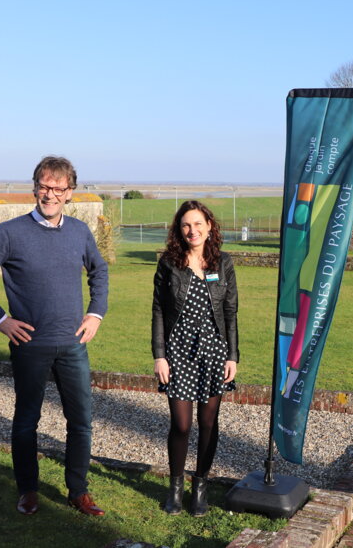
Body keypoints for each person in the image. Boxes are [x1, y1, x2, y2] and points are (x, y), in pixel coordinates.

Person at [0, 156, 109, 517]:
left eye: (58, 188)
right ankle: (27, 491)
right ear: (34, 188)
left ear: (70, 193)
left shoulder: (79, 232)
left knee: (81, 420)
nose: (50, 194)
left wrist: (96, 313)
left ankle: (78, 491)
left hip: (73, 344)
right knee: (27, 422)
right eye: (44, 186)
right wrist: (0, 320)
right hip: (30, 347)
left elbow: (99, 272)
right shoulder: (9, 233)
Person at [151, 200, 238, 516]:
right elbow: (159, 310)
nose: (193, 230)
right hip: (179, 351)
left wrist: (232, 356)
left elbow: (230, 312)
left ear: (209, 226)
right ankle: (175, 488)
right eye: (186, 225)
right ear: (179, 229)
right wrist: (159, 356)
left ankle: (200, 487)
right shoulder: (169, 264)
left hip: (214, 352)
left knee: (208, 422)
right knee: (182, 424)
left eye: (198, 224)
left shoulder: (223, 263)